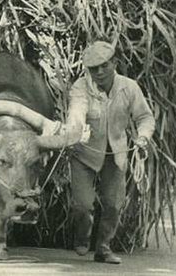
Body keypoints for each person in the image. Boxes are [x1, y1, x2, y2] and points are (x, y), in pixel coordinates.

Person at [66, 40, 155, 264]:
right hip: (84, 154)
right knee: (83, 205)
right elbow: (77, 110)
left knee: (113, 204)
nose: (100, 71)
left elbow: (145, 117)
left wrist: (143, 137)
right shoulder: (80, 87)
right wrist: (77, 128)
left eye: (104, 65)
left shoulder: (129, 87)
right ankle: (82, 237)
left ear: (114, 63)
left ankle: (103, 248)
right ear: (88, 70)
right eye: (94, 68)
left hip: (116, 154)